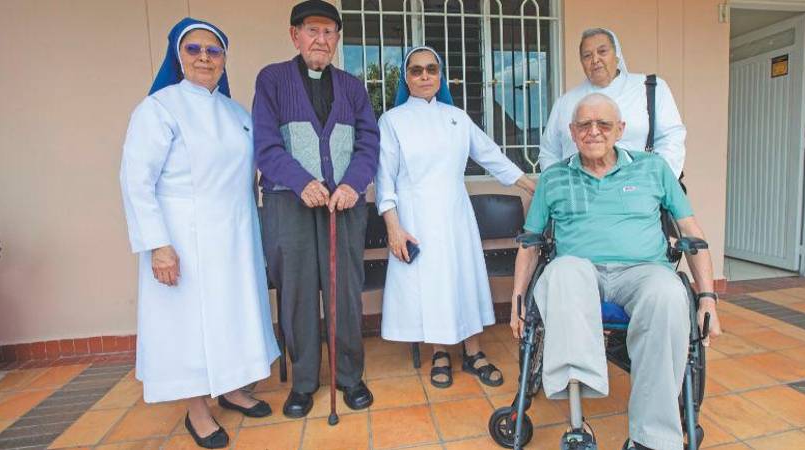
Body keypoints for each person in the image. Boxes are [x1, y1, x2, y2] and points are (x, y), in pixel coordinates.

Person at [509, 93, 723, 450]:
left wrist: (708, 299)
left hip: (642, 272)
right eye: (584, 125)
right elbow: (531, 243)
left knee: (669, 293)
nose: (594, 131)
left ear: (620, 129)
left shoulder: (654, 169)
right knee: (562, 272)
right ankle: (578, 426)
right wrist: (518, 297)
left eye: (603, 124)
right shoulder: (553, 177)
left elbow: (692, 234)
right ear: (572, 132)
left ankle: (650, 439)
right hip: (578, 274)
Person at [119, 17, 278, 449]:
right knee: (189, 325)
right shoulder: (158, 108)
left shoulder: (237, 113)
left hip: (235, 236)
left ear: (224, 59)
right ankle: (196, 409)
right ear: (178, 57)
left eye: (214, 51)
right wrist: (159, 246)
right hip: (183, 238)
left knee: (232, 315)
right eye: (194, 50)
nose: (205, 58)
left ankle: (230, 388)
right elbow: (136, 182)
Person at [375, 46, 537, 389]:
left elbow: (491, 155)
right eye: (416, 70)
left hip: (456, 215)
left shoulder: (457, 118)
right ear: (406, 77)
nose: (424, 76)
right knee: (432, 285)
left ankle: (475, 351)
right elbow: (384, 178)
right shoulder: (392, 121)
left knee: (464, 280)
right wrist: (393, 226)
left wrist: (531, 185)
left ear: (440, 75)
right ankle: (440, 353)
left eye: (431, 69)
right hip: (415, 216)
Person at [252, 0, 379, 418]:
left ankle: (349, 375)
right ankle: (304, 383)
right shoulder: (271, 80)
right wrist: (300, 181)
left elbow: (368, 144)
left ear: (337, 40)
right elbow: (266, 146)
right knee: (298, 293)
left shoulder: (354, 86)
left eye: (329, 32)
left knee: (344, 291)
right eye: (312, 30)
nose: (320, 39)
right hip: (289, 205)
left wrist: (352, 184)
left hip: (344, 206)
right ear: (295, 35)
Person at [538, 28, 688, 179]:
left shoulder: (649, 88)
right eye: (587, 55)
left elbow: (671, 139)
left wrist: (657, 184)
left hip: (640, 191)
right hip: (580, 195)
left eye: (602, 51)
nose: (595, 60)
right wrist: (560, 187)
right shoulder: (565, 102)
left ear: (617, 56)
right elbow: (549, 152)